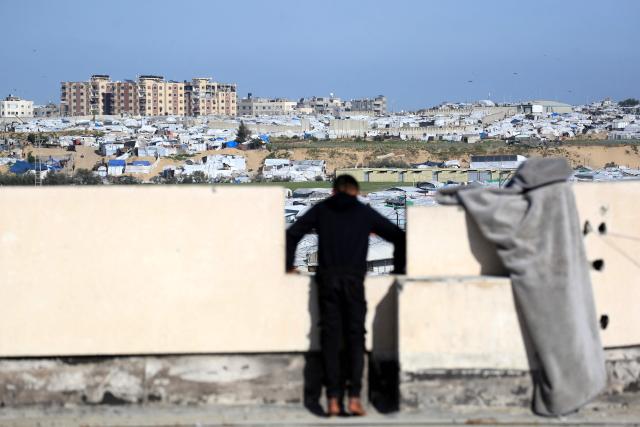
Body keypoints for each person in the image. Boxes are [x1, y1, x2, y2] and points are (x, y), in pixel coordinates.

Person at [286, 175, 406, 417]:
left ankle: (331, 399)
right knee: (355, 338)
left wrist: (289, 266)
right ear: (355, 192)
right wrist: (398, 269)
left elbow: (292, 235)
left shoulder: (321, 209)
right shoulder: (364, 213)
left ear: (333, 191)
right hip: (354, 282)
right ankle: (353, 398)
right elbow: (399, 236)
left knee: (329, 338)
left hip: (327, 282)